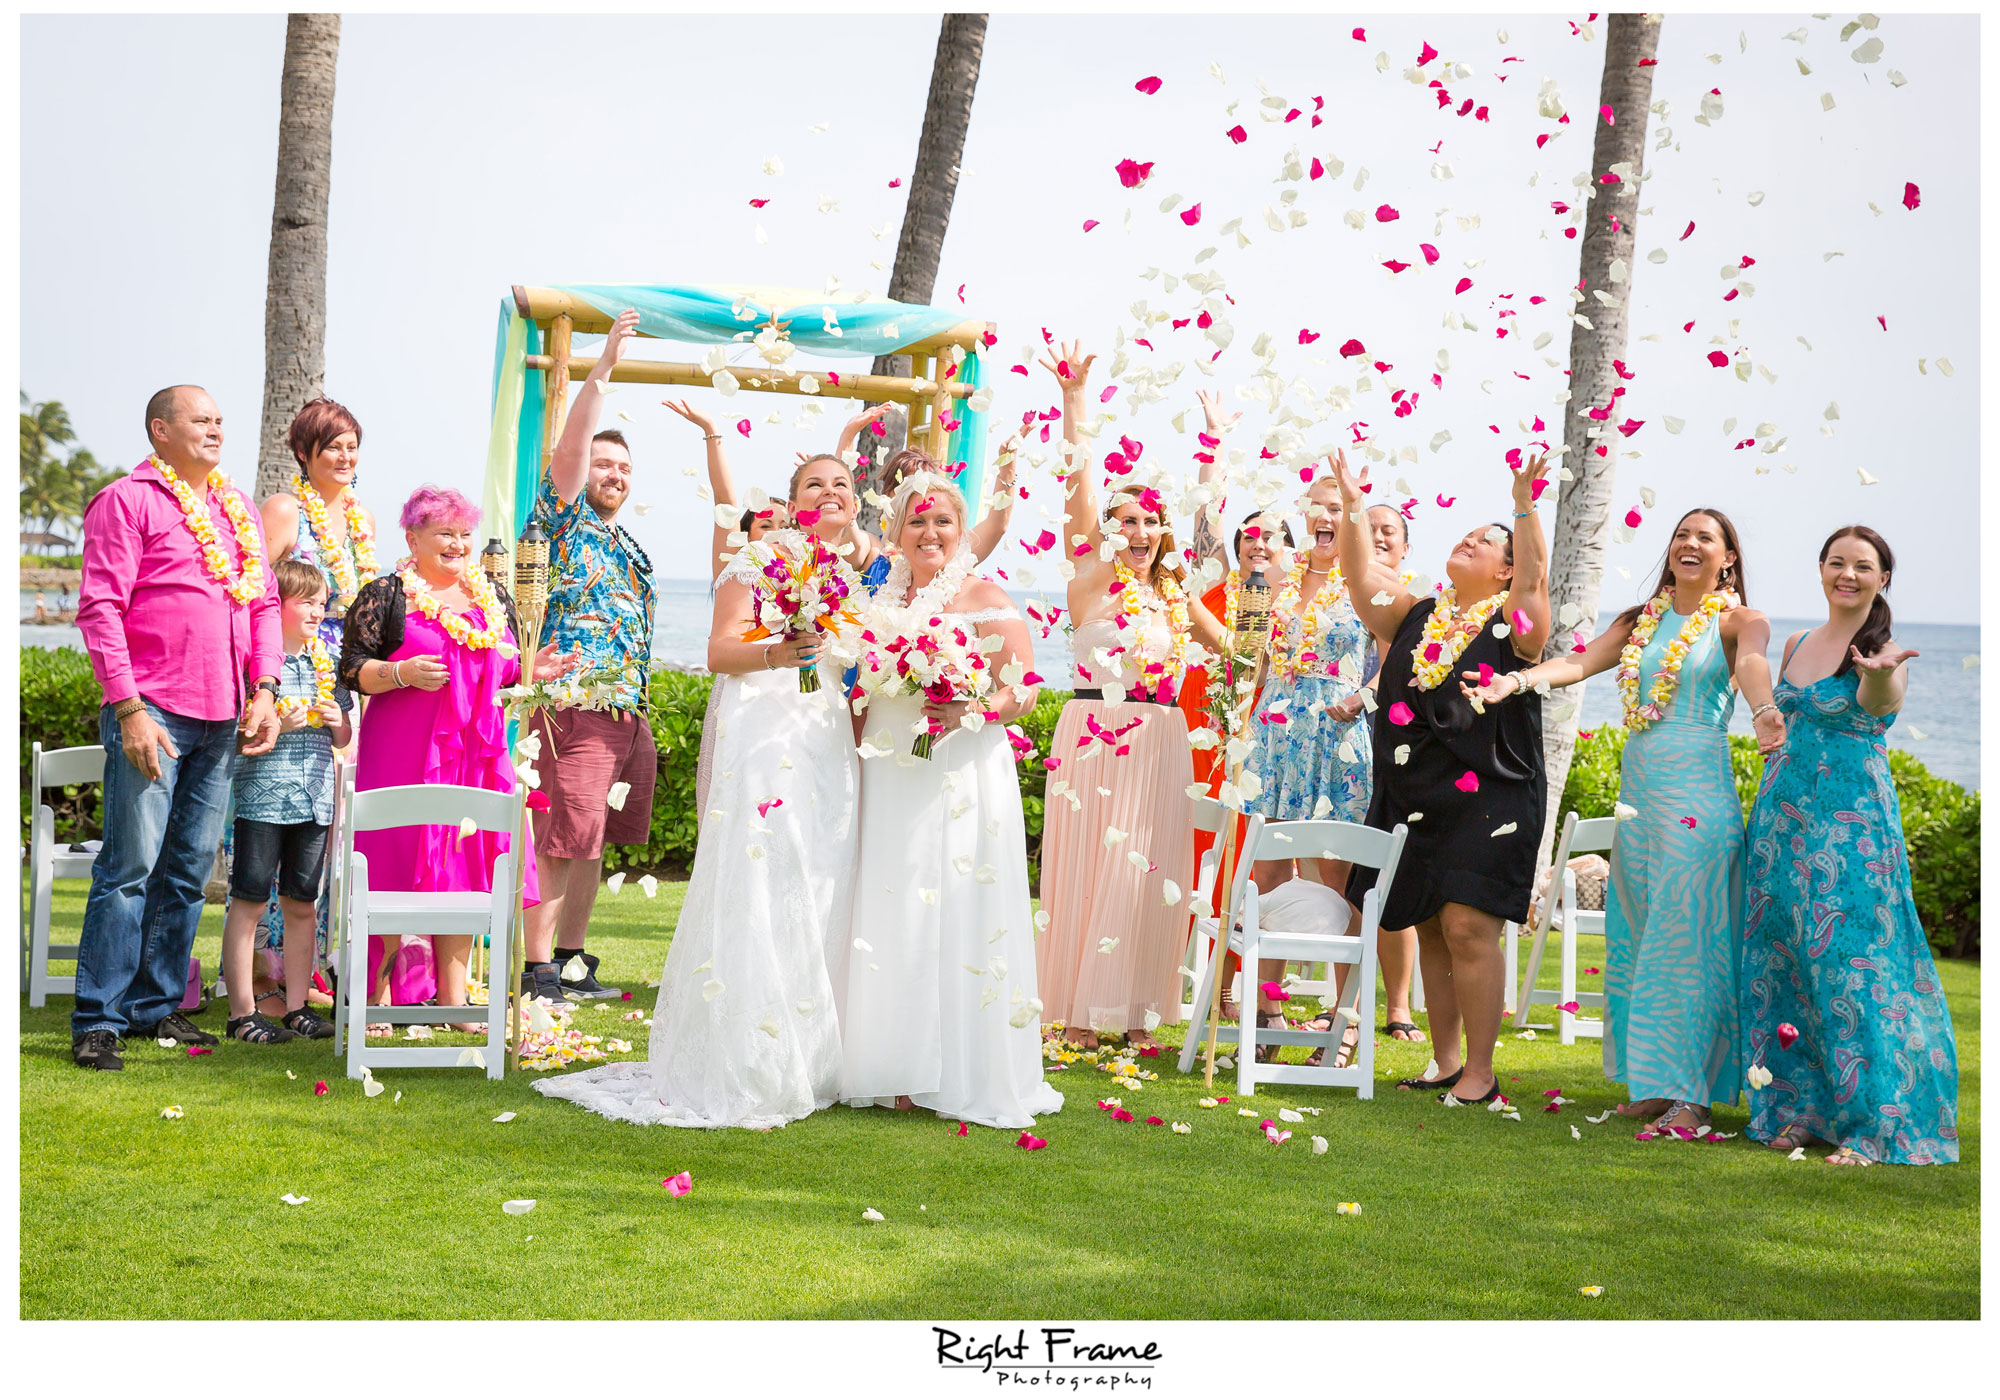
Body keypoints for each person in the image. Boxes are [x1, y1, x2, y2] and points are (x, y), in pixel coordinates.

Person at [534, 452, 864, 1129]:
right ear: (790, 499)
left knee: (820, 874)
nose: (829, 494)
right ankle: (745, 1054)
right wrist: (781, 648)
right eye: (813, 485)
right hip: (765, 722)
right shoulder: (756, 564)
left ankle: (811, 1051)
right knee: (761, 868)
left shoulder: (848, 577)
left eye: (842, 485)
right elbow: (718, 652)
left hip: (822, 726)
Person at [1466, 508, 1782, 1137]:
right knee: (1637, 935)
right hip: (1641, 799)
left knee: (1687, 941)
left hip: (1698, 796)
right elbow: (1580, 663)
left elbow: (1750, 663)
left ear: (1729, 560)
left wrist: (1765, 707)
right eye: (1682, 535)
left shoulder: (1739, 621)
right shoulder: (1641, 623)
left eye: (1706, 538)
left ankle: (1691, 1095)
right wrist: (1518, 681)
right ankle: (1653, 1082)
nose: (1690, 544)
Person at [840, 474, 1064, 1128]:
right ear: (896, 531)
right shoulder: (875, 599)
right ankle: (894, 1065)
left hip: (961, 763)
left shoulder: (985, 597)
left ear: (960, 530)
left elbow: (1023, 691)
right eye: (916, 522)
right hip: (891, 763)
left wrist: (974, 708)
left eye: (941, 522)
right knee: (893, 900)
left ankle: (960, 1066)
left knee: (958, 900)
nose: (929, 534)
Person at [70, 385, 282, 1070]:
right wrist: (127, 707)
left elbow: (265, 603)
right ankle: (98, 1018)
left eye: (221, 420)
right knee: (129, 868)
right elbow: (101, 608)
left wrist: (268, 688)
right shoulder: (125, 500)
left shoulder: (236, 508)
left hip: (225, 715)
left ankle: (156, 1008)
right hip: (152, 710)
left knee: (189, 871)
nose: (216, 430)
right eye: (201, 420)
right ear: (160, 431)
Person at [1739, 526, 1959, 1165]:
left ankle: (1873, 1127)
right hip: (1782, 825)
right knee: (1785, 965)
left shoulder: (1882, 651)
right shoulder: (1798, 642)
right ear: (1821, 570)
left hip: (1853, 832)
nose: (1848, 574)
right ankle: (1797, 1107)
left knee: (1854, 970)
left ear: (1882, 578)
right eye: (1838, 563)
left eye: (1863, 566)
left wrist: (1881, 676)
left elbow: (1876, 701)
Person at [1335, 450, 1549, 1106]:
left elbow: (1537, 580)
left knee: (1467, 925)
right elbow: (1354, 572)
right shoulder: (1413, 615)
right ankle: (1446, 1060)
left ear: (1507, 569)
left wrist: (1522, 503)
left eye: (1486, 543)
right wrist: (1350, 506)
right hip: (1413, 794)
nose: (1468, 541)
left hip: (1493, 795)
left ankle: (1482, 1073)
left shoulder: (1516, 626)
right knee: (1428, 921)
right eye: (1466, 535)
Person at [1035, 342, 1222, 1052]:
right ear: (1109, 530)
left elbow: (1235, 645)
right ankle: (1083, 1011)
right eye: (1126, 521)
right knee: (1095, 865)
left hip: (1162, 742)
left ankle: (1138, 1011)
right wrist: (1075, 400)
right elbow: (1077, 485)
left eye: (1150, 522)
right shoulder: (1088, 578)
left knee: (1151, 872)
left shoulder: (1176, 595)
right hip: (1095, 731)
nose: (1139, 533)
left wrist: (1214, 449)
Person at [337, 486, 572, 1031]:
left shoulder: (491, 595)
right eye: (444, 532)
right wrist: (402, 674)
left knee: (465, 872)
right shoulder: (387, 594)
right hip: (403, 756)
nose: (457, 544)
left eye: (464, 534)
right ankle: (375, 996)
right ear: (413, 538)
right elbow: (351, 668)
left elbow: (505, 668)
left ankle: (456, 1001)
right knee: (392, 863)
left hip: (476, 754)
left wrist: (536, 669)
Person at [518, 309, 657, 1005]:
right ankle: (537, 967)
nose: (614, 474)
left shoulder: (625, 545)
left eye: (624, 467)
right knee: (558, 835)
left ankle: (571, 959)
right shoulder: (564, 519)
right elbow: (570, 450)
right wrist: (599, 373)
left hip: (624, 710)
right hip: (575, 704)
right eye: (604, 464)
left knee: (591, 840)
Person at [235, 396, 377, 1015]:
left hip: (337, 690)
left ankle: (302, 978)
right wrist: (261, 685)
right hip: (281, 677)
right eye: (332, 447)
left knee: (320, 830)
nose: (345, 457)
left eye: (352, 445)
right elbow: (252, 597)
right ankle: (260, 981)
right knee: (269, 824)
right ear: (304, 454)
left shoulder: (362, 520)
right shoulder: (286, 508)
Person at [219, 559, 352, 1043]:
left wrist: (337, 719)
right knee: (249, 903)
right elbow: (232, 734)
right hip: (261, 800)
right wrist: (280, 725)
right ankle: (241, 1013)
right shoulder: (252, 667)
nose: (319, 611)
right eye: (307, 603)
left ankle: (297, 1006)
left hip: (315, 799)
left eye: (322, 603)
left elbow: (344, 738)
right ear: (275, 608)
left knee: (302, 905)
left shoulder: (328, 663)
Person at [1359, 503, 1425, 1045]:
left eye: (1390, 531)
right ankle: (1349, 1000)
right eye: (1370, 528)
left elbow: (1390, 670)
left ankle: (1398, 1005)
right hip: (1345, 746)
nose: (1378, 537)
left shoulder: (1414, 603)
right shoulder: (1352, 588)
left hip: (1388, 746)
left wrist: (1363, 695)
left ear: (1405, 547)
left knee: (1391, 877)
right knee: (1353, 880)